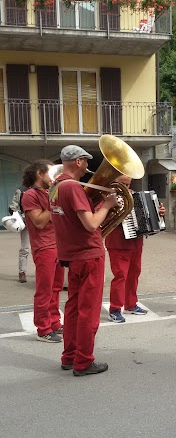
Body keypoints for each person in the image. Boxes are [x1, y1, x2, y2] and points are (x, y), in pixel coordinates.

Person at [49, 145, 119, 377]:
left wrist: (98, 207)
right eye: (87, 162)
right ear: (78, 162)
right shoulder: (73, 186)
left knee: (72, 308)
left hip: (71, 256)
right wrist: (107, 206)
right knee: (88, 311)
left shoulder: (55, 187)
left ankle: (69, 357)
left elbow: (73, 219)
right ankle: (83, 362)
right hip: (88, 255)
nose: (89, 167)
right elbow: (90, 225)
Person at [105, 175, 165, 323]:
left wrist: (159, 211)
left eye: (128, 183)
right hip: (118, 243)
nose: (126, 187)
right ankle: (114, 309)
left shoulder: (135, 196)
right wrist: (116, 214)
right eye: (122, 183)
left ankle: (131, 304)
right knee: (120, 276)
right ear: (114, 181)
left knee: (134, 274)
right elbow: (101, 219)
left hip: (136, 242)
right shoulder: (108, 197)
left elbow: (149, 214)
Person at [21, 161, 64, 343]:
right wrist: (54, 204)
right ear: (39, 173)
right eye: (51, 172)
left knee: (56, 288)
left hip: (59, 246)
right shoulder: (29, 195)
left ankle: (54, 322)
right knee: (44, 291)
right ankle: (43, 328)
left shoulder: (49, 193)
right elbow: (38, 221)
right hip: (44, 247)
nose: (54, 175)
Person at [9, 185, 30, 283]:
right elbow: (12, 207)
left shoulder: (44, 188)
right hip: (26, 222)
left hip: (41, 222)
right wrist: (19, 217)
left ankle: (43, 271)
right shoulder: (21, 190)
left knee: (42, 248)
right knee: (25, 248)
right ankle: (22, 272)